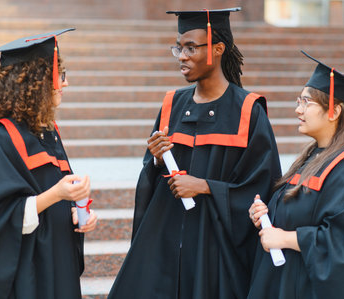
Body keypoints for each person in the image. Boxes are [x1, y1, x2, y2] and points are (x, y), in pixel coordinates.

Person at [108, 7, 281, 299]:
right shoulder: (171, 104)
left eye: (191, 47)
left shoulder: (248, 110)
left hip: (214, 251)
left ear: (218, 48)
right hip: (165, 245)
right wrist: (155, 159)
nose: (183, 56)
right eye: (179, 48)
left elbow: (261, 188)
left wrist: (204, 187)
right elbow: (151, 181)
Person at [247, 51, 344, 299]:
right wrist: (268, 215)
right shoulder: (314, 157)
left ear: (335, 111)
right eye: (299, 100)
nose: (298, 109)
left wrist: (285, 238)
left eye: (306, 102)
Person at [0, 28, 98, 299]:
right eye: (59, 74)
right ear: (35, 81)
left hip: (55, 260)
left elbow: (50, 194)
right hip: (27, 273)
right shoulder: (4, 137)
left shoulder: (47, 130)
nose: (65, 83)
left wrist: (75, 211)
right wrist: (57, 194)